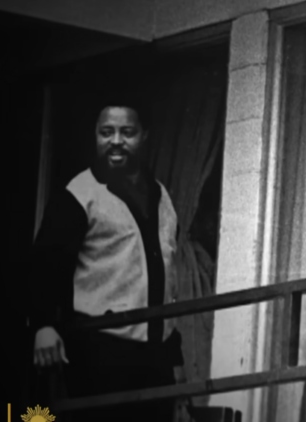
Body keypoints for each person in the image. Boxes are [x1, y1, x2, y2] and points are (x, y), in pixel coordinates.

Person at [30, 103, 183, 421]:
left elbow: (167, 268)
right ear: (95, 137)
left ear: (144, 137)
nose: (116, 140)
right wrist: (44, 324)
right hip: (99, 351)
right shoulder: (78, 194)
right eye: (106, 132)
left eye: (127, 132)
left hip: (155, 355)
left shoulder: (161, 195)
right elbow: (44, 265)